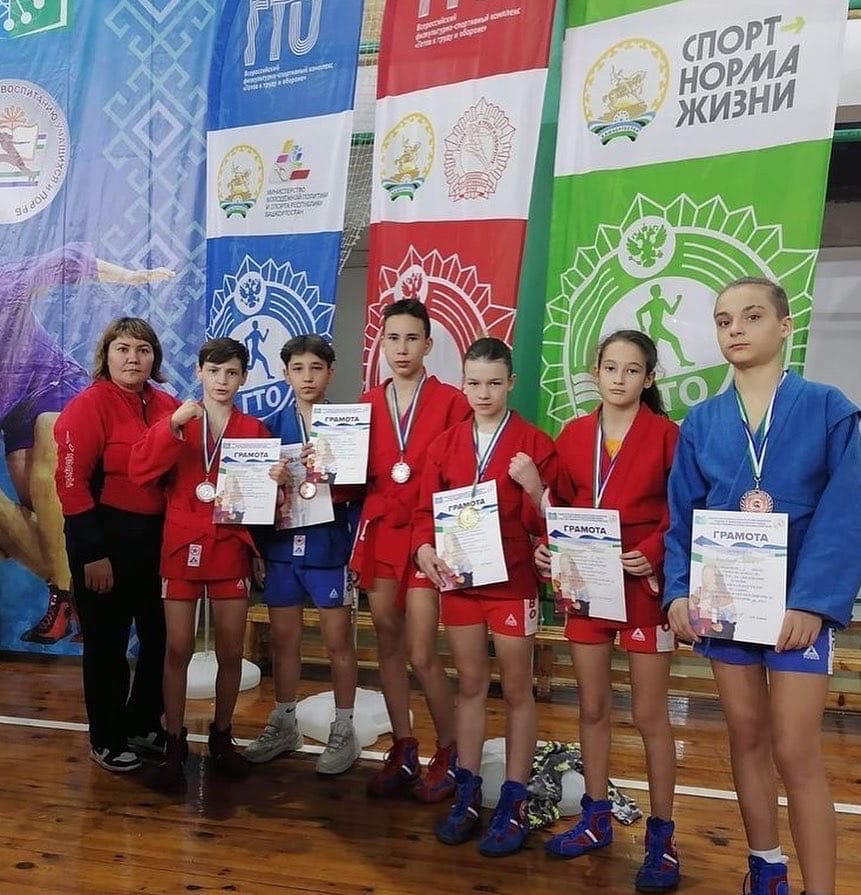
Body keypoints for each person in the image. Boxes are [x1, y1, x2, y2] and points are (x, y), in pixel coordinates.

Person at [663, 277, 861, 895]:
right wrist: (677, 591)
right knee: (746, 738)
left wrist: (812, 602)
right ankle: (766, 868)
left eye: (751, 317)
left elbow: (846, 511)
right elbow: (682, 515)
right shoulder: (702, 422)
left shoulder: (828, 408)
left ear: (785, 326)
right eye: (724, 321)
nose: (736, 330)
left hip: (797, 609)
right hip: (726, 605)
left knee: (795, 750)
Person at [533, 330, 681, 892]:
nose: (619, 379)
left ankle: (662, 837)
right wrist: (545, 547)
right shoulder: (573, 434)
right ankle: (596, 816)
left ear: (649, 377)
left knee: (649, 716)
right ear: (595, 371)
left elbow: (684, 508)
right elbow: (556, 507)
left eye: (632, 370)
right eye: (611, 367)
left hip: (642, 586)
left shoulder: (667, 435)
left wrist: (655, 550)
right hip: (588, 585)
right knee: (592, 707)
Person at [414, 337, 557, 857]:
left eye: (494, 383)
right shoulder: (444, 444)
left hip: (513, 582)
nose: (484, 393)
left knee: (517, 689)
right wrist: (423, 548)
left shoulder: (534, 444)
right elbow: (423, 513)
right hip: (461, 583)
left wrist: (535, 486)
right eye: (474, 383)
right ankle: (468, 790)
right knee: (471, 684)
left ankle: (514, 798)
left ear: (511, 383)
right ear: (463, 384)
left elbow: (555, 523)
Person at [0, 243, 173, 645]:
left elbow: (67, 259)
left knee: (50, 442)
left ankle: (64, 595)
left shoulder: (7, 285)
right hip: (13, 417)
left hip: (54, 384)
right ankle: (77, 592)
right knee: (23, 514)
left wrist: (133, 277)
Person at [129, 338, 282, 787]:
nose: (222, 381)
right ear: (199, 372)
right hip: (182, 547)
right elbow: (141, 471)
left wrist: (276, 483)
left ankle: (221, 735)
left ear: (244, 378)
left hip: (230, 547)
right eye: (214, 371)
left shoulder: (254, 430)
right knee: (177, 648)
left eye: (231, 373)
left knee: (231, 651)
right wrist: (170, 428)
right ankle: (174, 741)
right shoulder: (179, 419)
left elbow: (266, 506)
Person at [351, 299, 471, 802]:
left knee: (421, 652)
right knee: (388, 644)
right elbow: (350, 481)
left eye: (411, 338)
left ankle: (450, 750)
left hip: (427, 538)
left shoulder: (452, 401)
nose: (401, 348)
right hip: (381, 531)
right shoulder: (363, 404)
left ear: (428, 344)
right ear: (382, 343)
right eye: (393, 338)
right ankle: (403, 745)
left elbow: (465, 473)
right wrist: (322, 466)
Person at [53, 317, 179, 771]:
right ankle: (106, 737)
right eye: (123, 348)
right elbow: (71, 485)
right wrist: (93, 554)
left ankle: (143, 721)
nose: (133, 358)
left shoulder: (168, 405)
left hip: (157, 539)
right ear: (106, 356)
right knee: (107, 643)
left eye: (143, 350)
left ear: (154, 358)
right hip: (104, 535)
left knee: (160, 636)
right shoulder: (88, 406)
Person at [244, 334, 363, 775]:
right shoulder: (268, 427)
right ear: (285, 374)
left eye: (316, 368)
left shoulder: (347, 427)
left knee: (337, 643)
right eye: (298, 368)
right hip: (281, 548)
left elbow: (362, 490)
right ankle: (284, 722)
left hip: (329, 546)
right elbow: (251, 495)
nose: (307, 377)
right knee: (284, 641)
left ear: (330, 373)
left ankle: (344, 727)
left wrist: (334, 471)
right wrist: (270, 482)